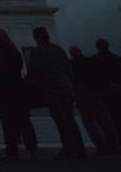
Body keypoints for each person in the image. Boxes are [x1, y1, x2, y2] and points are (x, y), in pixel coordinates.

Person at [27, 27, 86, 159]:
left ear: (36, 38)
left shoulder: (38, 51)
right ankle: (79, 148)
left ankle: (69, 149)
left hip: (51, 88)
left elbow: (35, 71)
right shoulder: (59, 49)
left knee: (61, 119)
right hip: (66, 87)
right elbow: (69, 69)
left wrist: (28, 84)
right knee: (71, 119)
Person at [0, 28, 38, 162]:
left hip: (3, 92)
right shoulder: (15, 52)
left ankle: (12, 152)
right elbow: (19, 67)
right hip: (17, 90)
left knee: (7, 124)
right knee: (24, 121)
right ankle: (32, 149)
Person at [69, 46, 119, 155]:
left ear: (71, 54)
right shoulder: (91, 61)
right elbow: (101, 75)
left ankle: (101, 146)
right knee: (105, 121)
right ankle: (114, 145)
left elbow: (71, 80)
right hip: (97, 93)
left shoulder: (71, 65)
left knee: (90, 123)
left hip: (82, 95)